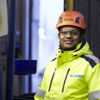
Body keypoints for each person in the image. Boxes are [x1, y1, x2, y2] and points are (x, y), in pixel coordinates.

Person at [34, 11, 100, 100]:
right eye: (64, 32)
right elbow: (39, 97)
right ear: (59, 35)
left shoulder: (92, 65)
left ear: (81, 36)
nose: (68, 36)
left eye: (74, 33)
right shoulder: (51, 66)